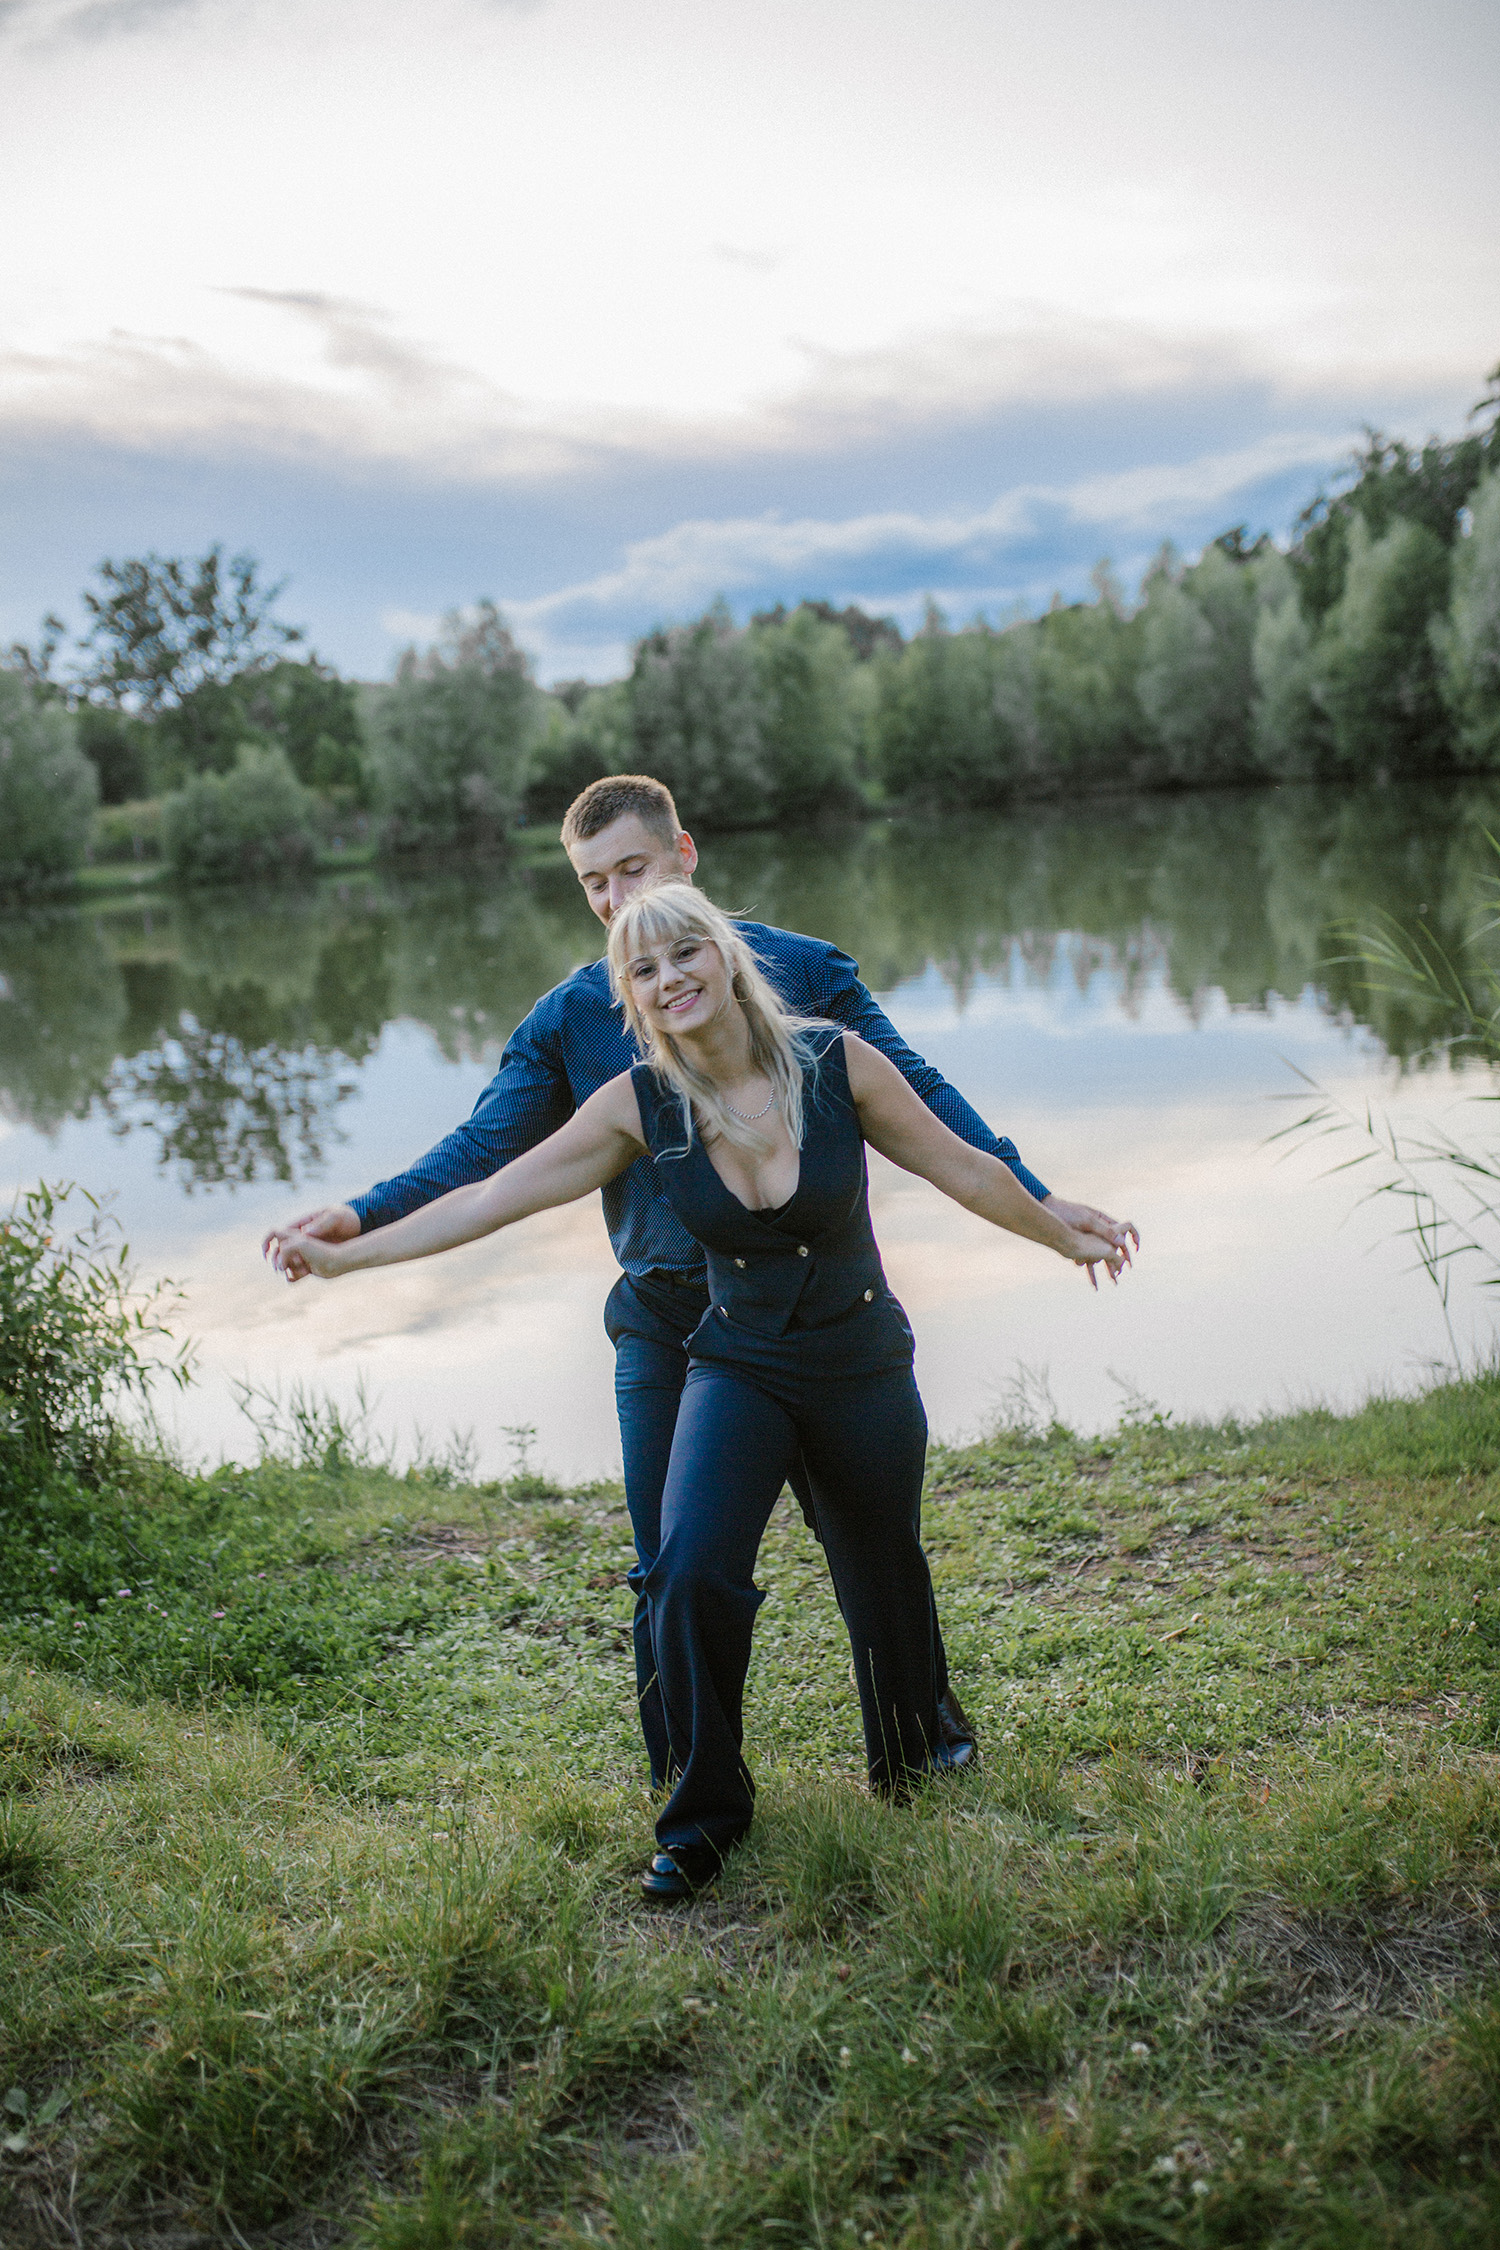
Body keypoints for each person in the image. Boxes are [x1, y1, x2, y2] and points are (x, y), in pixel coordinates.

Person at [265, 773, 1137, 1790]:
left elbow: (924, 1102)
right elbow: (485, 1155)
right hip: (668, 1319)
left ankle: (921, 1743)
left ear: (685, 855)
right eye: (592, 882)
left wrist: (1041, 1201)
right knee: (672, 1562)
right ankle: (689, 1783)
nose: (614, 899)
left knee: (872, 1544)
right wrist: (364, 1214)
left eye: (631, 868)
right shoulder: (575, 1016)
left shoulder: (803, 974)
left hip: (807, 1306)